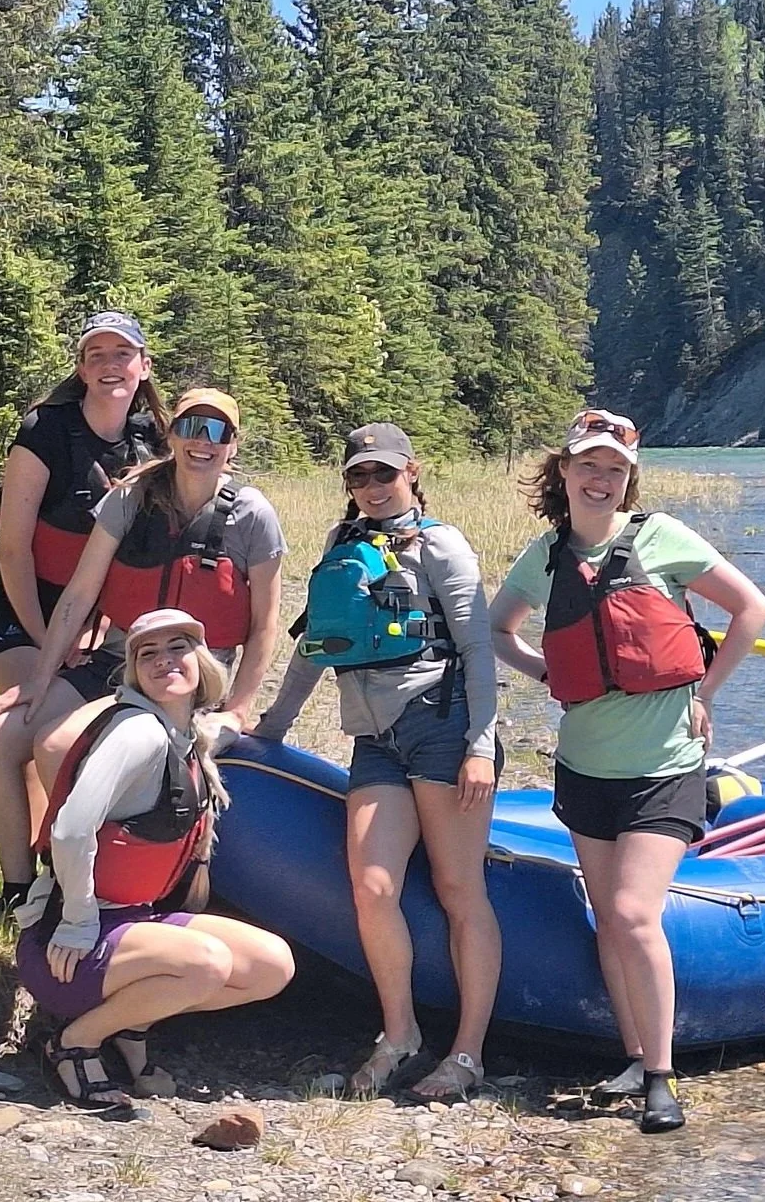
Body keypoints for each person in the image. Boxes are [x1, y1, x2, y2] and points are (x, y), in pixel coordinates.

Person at [487, 408, 765, 1135]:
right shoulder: (545, 556)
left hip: (665, 766)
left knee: (633, 912)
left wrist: (705, 694)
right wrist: (545, 670)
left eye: (615, 468)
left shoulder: (661, 536)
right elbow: (498, 628)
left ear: (629, 477)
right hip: (586, 767)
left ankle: (662, 1078)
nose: (601, 478)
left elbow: (752, 609)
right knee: (608, 917)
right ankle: (635, 1056)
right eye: (588, 464)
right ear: (565, 471)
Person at [254, 423, 501, 1101]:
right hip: (375, 738)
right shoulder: (342, 543)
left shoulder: (442, 544)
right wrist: (273, 726)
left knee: (459, 889)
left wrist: (481, 744)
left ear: (411, 472)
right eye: (358, 476)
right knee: (372, 885)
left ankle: (468, 1053)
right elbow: (318, 642)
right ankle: (400, 1034)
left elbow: (478, 648)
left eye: (384, 474)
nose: (371, 486)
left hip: (442, 725)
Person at [14, 608, 296, 1107]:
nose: (164, 660)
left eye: (177, 648)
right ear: (134, 673)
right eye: (148, 653)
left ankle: (131, 1021)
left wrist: (246, 721)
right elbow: (71, 828)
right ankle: (74, 1042)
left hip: (134, 923)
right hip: (67, 946)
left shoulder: (184, 733)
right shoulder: (138, 732)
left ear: (201, 661)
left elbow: (213, 733)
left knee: (271, 966)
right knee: (207, 964)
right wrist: (77, 921)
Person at [0, 387, 285, 831]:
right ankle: (48, 868)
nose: (202, 441)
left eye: (217, 431)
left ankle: (106, 859)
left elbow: (264, 626)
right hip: (119, 665)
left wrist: (237, 711)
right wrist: (41, 676)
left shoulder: (252, 514)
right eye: (190, 426)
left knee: (57, 745)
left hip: (195, 679)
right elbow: (79, 594)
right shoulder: (131, 497)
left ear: (232, 445)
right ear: (172, 435)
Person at [0, 312, 168, 913]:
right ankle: (19, 887)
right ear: (80, 369)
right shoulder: (46, 431)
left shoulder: (151, 441)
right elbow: (13, 549)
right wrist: (46, 648)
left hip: (83, 606)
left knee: (49, 731)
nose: (110, 366)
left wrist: (98, 624)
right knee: (22, 722)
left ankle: (56, 871)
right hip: (13, 597)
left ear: (143, 367)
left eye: (122, 354)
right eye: (95, 355)